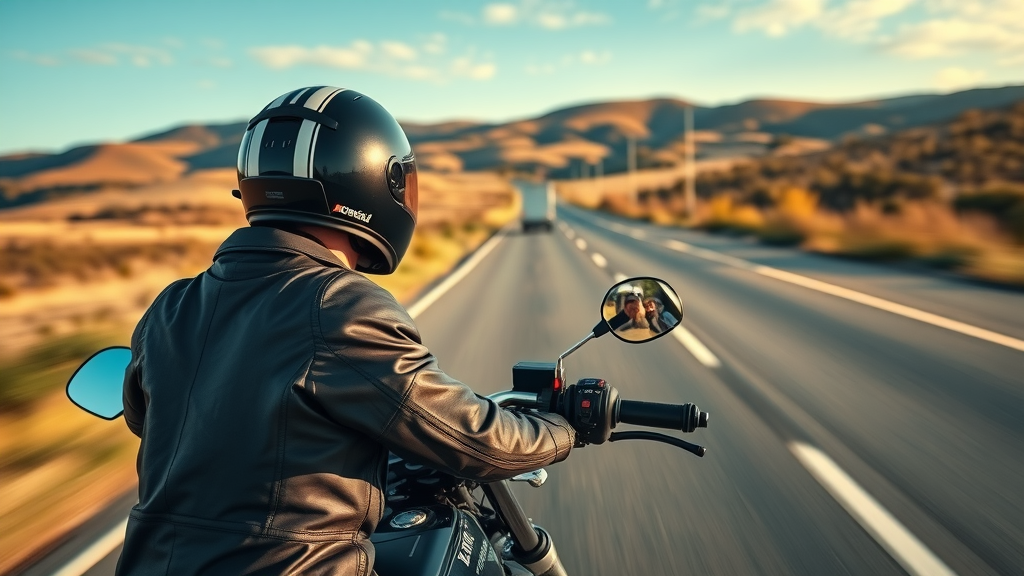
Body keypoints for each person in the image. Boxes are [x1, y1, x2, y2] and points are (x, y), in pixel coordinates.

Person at [117, 87, 577, 576]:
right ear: (372, 184)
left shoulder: (170, 306)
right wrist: (564, 428)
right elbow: (471, 438)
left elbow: (148, 419)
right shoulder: (341, 305)